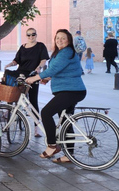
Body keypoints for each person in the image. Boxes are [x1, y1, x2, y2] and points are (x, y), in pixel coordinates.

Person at [25, 29, 86, 164]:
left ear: (69, 40)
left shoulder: (67, 52)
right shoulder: (62, 52)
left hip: (70, 91)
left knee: (46, 113)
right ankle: (69, 155)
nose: (59, 40)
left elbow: (53, 69)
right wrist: (48, 78)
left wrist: (35, 78)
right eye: (57, 38)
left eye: (63, 38)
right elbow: (60, 70)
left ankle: (52, 145)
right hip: (70, 90)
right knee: (66, 122)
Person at [4, 27, 49, 137]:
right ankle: (10, 114)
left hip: (33, 75)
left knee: (33, 101)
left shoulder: (40, 46)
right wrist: (10, 64)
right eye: (28, 35)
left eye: (33, 34)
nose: (31, 37)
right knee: (13, 95)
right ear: (26, 36)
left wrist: (39, 68)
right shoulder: (22, 47)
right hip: (21, 75)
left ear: (36, 35)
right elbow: (16, 60)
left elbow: (44, 59)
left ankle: (36, 128)